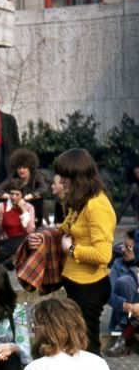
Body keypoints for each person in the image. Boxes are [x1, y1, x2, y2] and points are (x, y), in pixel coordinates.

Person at [28, 149, 115, 356]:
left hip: (90, 287)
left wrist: (72, 249)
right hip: (76, 283)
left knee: (88, 344)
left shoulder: (96, 206)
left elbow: (103, 255)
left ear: (78, 177)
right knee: (78, 341)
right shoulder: (80, 202)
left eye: (65, 176)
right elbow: (65, 228)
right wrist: (44, 236)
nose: (62, 181)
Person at [105, 231, 138, 357]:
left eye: (128, 247)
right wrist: (127, 306)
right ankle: (126, 334)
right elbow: (108, 295)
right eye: (123, 246)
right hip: (125, 316)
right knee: (125, 282)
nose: (123, 250)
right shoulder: (118, 263)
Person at [0, 148, 47, 227]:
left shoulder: (36, 176)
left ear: (30, 167)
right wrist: (10, 196)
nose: (21, 170)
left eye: (24, 167)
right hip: (19, 214)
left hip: (36, 210)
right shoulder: (13, 177)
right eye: (19, 168)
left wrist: (28, 196)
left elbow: (44, 189)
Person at [0, 179, 36, 264]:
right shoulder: (1, 207)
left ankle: (13, 260)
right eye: (12, 194)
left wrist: (24, 210)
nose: (14, 197)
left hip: (23, 242)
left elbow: (30, 230)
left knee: (23, 240)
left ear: (22, 195)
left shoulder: (29, 207)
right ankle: (12, 260)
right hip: (6, 242)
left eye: (17, 194)